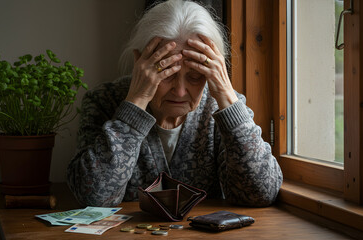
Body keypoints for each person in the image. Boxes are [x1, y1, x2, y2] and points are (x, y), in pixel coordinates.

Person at [67, 0, 282, 208]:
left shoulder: (222, 108)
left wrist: (227, 98)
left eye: (195, 76)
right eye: (166, 73)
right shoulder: (103, 101)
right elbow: (93, 196)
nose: (180, 91)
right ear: (141, 64)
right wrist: (135, 105)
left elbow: (261, 192)